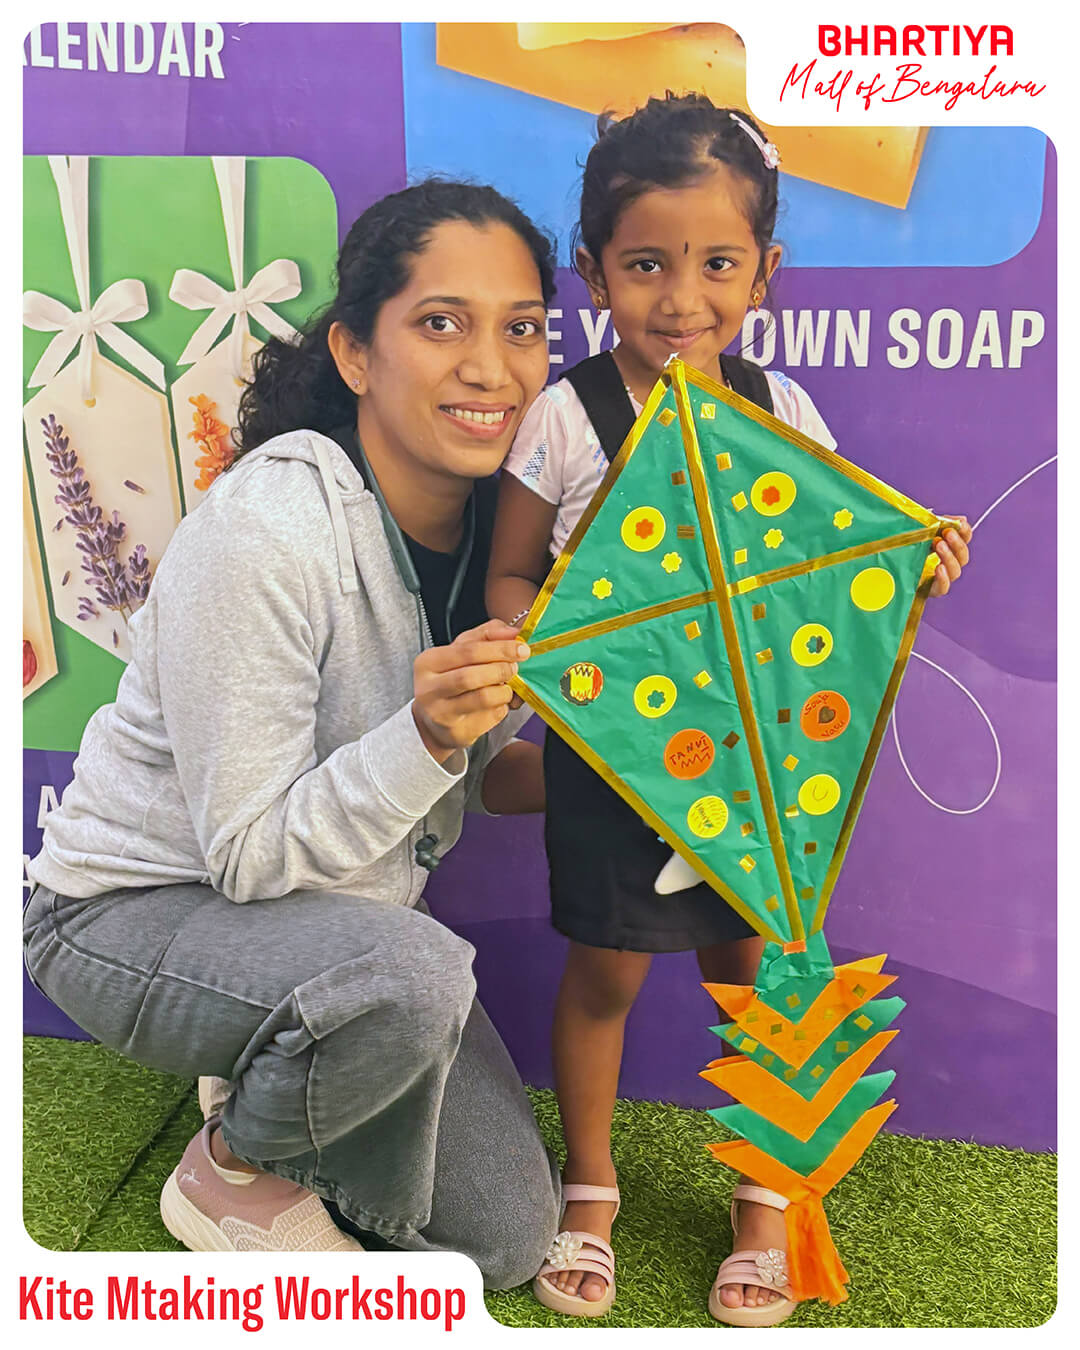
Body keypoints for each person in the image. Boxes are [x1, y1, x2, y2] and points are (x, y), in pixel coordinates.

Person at [486, 95, 973, 1324]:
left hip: (756, 772)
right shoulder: (565, 416)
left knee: (756, 977)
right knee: (603, 974)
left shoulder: (780, 409)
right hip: (612, 759)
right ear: (594, 270)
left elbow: (831, 583)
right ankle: (589, 1190)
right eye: (646, 263)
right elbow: (507, 578)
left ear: (765, 273)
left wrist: (908, 568)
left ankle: (766, 1200)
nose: (681, 298)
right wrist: (553, 625)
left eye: (717, 264)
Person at [24, 179, 563, 1286]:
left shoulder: (504, 544)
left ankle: (276, 1047)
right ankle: (232, 1166)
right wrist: (424, 736)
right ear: (356, 353)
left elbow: (470, 777)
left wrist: (626, 774)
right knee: (415, 976)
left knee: (504, 1237)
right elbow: (248, 854)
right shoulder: (270, 526)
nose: (491, 368)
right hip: (126, 913)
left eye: (521, 329)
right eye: (441, 323)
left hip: (344, 927)